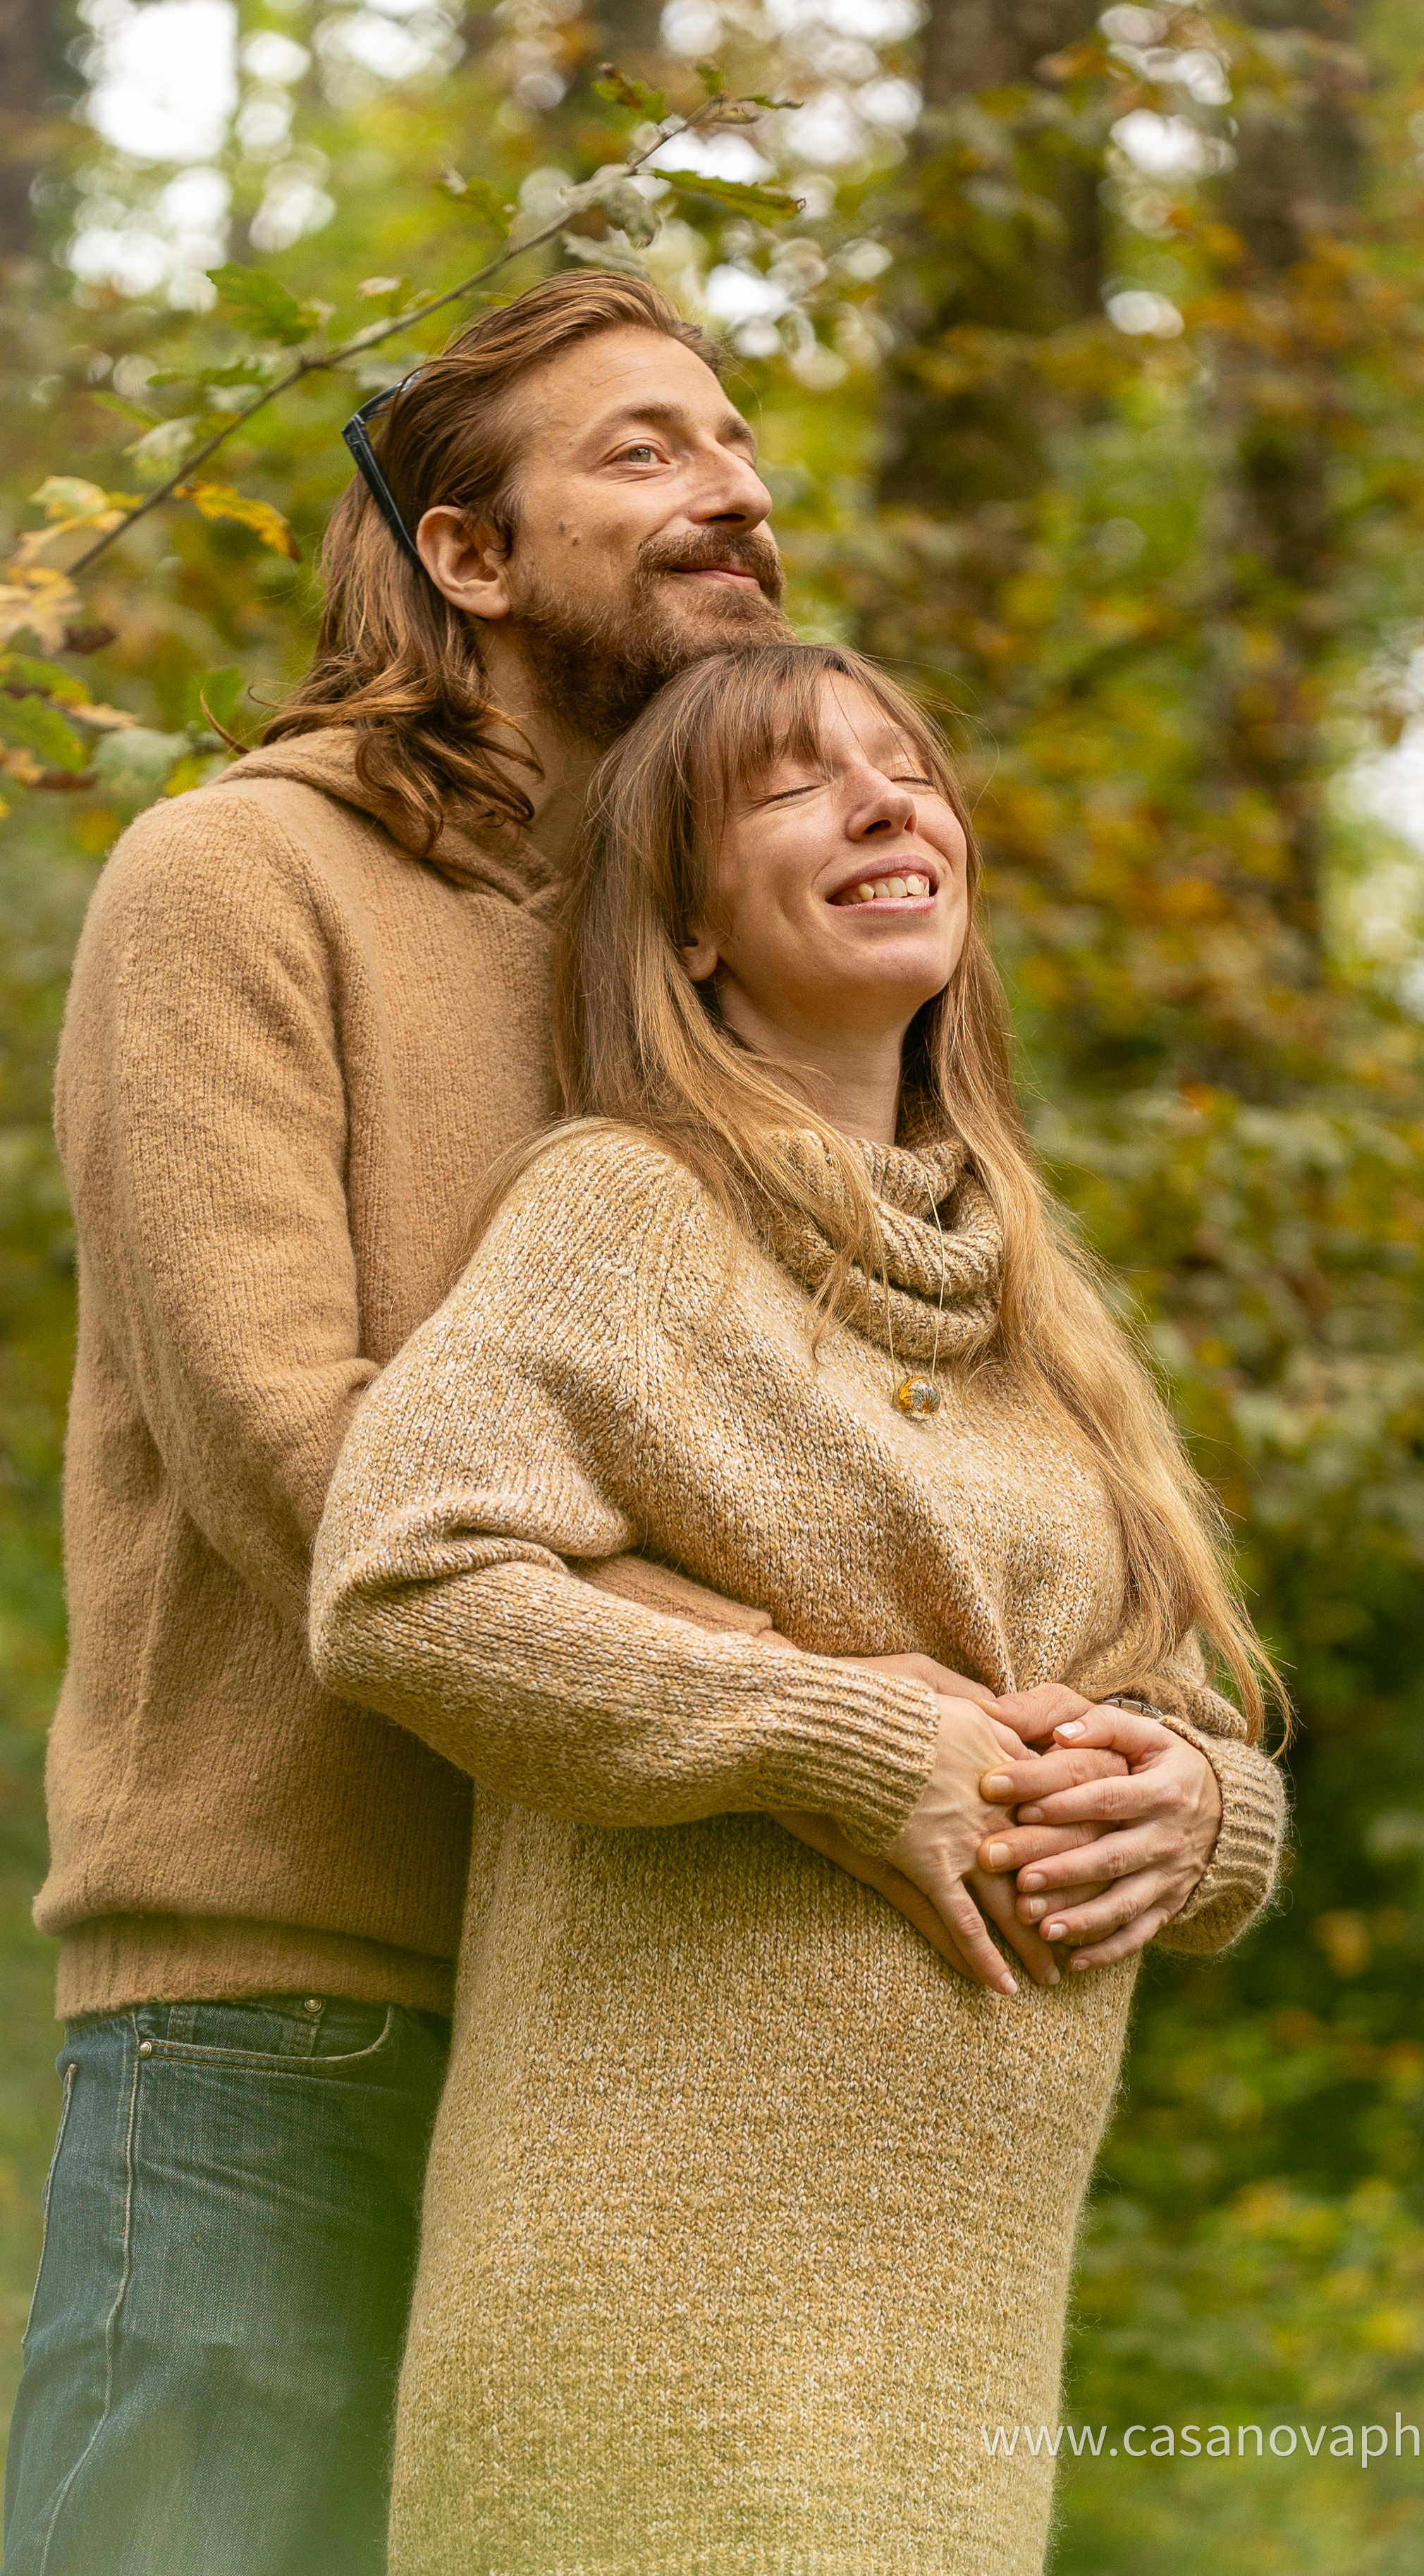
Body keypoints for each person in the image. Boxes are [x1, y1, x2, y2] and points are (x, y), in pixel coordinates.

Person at [308, 640, 1289, 2576]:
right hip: (664, 2303)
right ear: (682, 925)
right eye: (792, 783)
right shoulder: (625, 1210)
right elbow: (402, 1584)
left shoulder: (1038, 1311)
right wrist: (832, 1736)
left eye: (909, 767)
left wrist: (1203, 1819)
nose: (883, 802)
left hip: (956, 2329)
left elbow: (1175, 1712)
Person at [2, 270, 796, 2576]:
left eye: (736, 445)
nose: (730, 490)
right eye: (643, 450)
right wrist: (801, 1699)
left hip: (653, 2003)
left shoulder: (705, 967)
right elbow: (286, 1450)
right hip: (283, 2014)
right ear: (467, 555)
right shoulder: (238, 880)